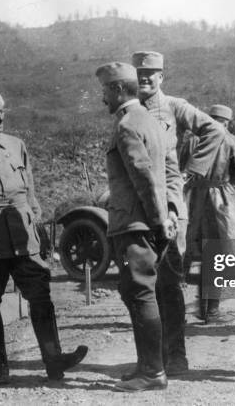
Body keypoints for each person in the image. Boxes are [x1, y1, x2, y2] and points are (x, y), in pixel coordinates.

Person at [0, 84, 87, 385]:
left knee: (40, 296)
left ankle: (54, 361)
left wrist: (38, 226)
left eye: (1, 111)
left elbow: (29, 192)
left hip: (22, 234)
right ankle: (0, 367)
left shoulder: (17, 145)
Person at [131, 51, 226, 372]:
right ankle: (152, 359)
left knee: (169, 283)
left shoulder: (174, 106)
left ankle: (176, 355)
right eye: (140, 74)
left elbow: (214, 131)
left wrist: (191, 173)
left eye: (151, 74)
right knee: (142, 285)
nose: (145, 79)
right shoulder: (128, 111)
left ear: (161, 77)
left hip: (170, 208)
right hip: (139, 210)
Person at [96, 61, 175, 392]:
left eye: (104, 91)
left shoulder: (127, 124)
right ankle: (148, 366)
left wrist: (157, 223)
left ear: (117, 89)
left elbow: (144, 177)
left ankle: (153, 372)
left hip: (135, 225)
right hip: (143, 222)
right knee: (139, 292)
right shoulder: (149, 120)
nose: (102, 98)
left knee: (140, 292)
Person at [183, 104, 235, 322]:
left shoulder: (191, 141)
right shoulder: (232, 141)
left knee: (188, 254)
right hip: (222, 204)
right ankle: (211, 311)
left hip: (193, 200)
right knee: (216, 257)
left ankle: (180, 312)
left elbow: (179, 169)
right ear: (227, 122)